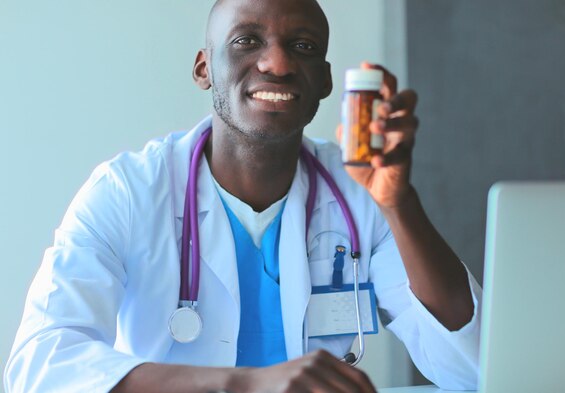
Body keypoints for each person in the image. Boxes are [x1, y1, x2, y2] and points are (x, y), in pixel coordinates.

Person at [4, 0, 482, 392]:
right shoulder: (128, 191)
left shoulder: (362, 188)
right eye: (246, 41)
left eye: (303, 46)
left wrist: (400, 203)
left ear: (325, 81)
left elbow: (472, 369)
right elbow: (39, 366)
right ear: (204, 67)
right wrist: (247, 384)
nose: (277, 63)